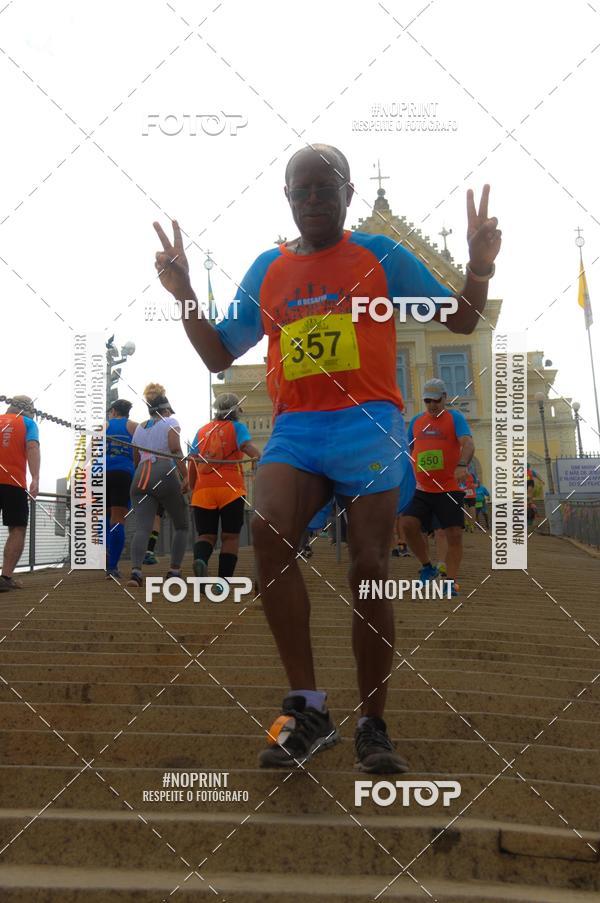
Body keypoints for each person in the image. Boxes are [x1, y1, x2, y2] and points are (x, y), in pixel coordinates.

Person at [152, 143, 501, 772]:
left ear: (347, 194)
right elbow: (218, 355)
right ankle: (308, 708)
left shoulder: (381, 255)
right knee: (268, 530)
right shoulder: (269, 269)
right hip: (298, 430)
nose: (314, 200)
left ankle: (373, 720)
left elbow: (461, 319)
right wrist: (181, 294)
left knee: (367, 563)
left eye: (326, 188)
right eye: (301, 191)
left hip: (370, 428)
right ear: (287, 198)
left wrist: (478, 268)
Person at [402, 378, 476, 597]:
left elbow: (468, 443)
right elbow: (407, 451)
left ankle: (450, 581)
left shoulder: (454, 418)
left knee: (453, 534)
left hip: (448, 488)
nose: (432, 405)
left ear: (444, 398)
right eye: (427, 401)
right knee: (407, 524)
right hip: (422, 488)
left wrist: (462, 464)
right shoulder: (416, 421)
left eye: (436, 400)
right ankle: (427, 567)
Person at [188, 393, 261, 595]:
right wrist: (260, 457)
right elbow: (246, 446)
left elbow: (192, 460)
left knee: (206, 535)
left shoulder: (202, 431)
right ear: (236, 411)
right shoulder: (237, 428)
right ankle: (221, 584)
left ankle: (201, 561)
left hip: (203, 490)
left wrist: (192, 487)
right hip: (231, 489)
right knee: (230, 537)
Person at [126, 384, 189, 588]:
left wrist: (143, 474)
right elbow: (174, 449)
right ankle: (174, 571)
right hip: (163, 470)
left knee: (142, 527)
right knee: (181, 525)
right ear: (166, 409)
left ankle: (135, 573)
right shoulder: (171, 421)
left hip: (140, 476)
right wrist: (186, 475)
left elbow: (136, 457)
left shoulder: (140, 428)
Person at [0, 396, 40, 591]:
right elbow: (32, 447)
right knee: (17, 528)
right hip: (13, 482)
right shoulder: (28, 423)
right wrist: (36, 477)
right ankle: (6, 578)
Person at [105, 399, 138, 579]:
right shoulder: (134, 427)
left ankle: (105, 551)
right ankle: (112, 567)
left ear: (115, 411)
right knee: (118, 519)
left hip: (101, 473)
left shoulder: (103, 426)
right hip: (123, 473)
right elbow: (139, 452)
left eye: (110, 412)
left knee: (103, 516)